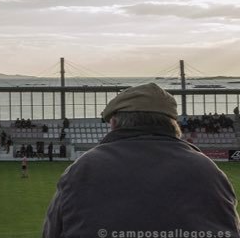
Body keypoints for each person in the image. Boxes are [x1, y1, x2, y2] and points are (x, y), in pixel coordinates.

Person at [43, 83, 240, 237]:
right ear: (174, 124)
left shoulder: (82, 169)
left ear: (113, 123)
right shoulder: (208, 171)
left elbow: (52, 232)